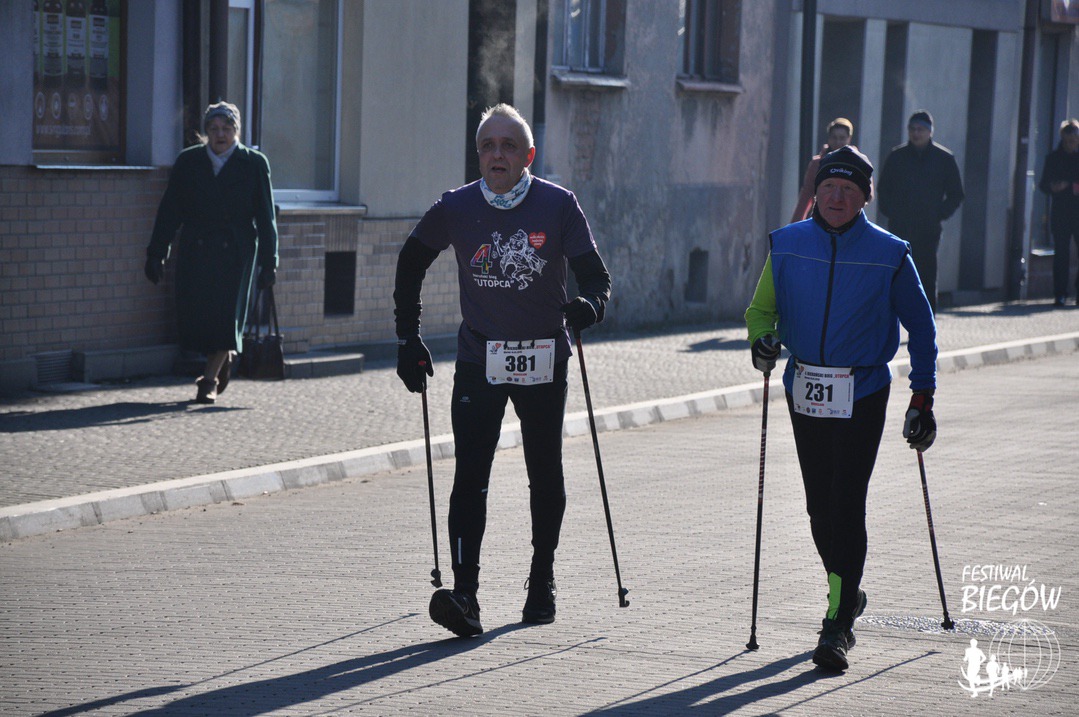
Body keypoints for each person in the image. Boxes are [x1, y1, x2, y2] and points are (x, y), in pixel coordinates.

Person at [393, 103, 612, 638]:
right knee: (470, 475)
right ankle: (465, 594)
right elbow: (410, 262)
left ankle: (542, 577)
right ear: (478, 155)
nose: (497, 155)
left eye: (509, 146)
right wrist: (408, 337)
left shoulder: (558, 204)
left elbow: (596, 278)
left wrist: (590, 306)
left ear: (528, 155)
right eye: (488, 146)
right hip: (479, 357)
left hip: (543, 357)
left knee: (545, 471)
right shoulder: (456, 206)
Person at [744, 146, 938, 671]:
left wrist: (922, 397)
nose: (836, 197)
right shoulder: (787, 244)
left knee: (847, 503)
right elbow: (761, 311)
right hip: (805, 388)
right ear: (816, 191)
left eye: (848, 189)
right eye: (828, 186)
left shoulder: (890, 253)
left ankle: (836, 623)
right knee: (819, 509)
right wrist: (762, 341)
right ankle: (848, 590)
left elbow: (922, 328)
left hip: (864, 391)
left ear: (864, 197)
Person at [144, 101, 278, 403]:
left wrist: (270, 263)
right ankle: (223, 356)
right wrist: (156, 252)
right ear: (205, 132)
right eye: (214, 129)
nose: (220, 135)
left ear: (237, 131)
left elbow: (266, 217)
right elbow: (170, 209)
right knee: (199, 317)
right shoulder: (189, 161)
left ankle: (208, 381)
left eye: (227, 128)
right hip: (197, 249)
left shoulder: (254, 163)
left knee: (225, 316)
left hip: (236, 252)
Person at [877, 110, 965, 313]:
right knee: (896, 274)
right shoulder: (897, 156)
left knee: (926, 276)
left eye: (921, 129)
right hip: (900, 227)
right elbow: (883, 189)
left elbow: (956, 193)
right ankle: (893, 318)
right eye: (912, 129)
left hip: (928, 229)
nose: (916, 133)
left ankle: (927, 320)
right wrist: (892, 212)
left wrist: (939, 214)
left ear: (930, 132)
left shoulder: (943, 158)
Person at [789, 117, 866, 223]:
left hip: (849, 221)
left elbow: (867, 194)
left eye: (842, 138)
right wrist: (795, 224)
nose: (838, 142)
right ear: (829, 139)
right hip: (822, 220)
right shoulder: (817, 164)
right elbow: (806, 195)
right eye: (834, 137)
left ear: (849, 139)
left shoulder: (858, 163)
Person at [1037, 119, 1079, 306]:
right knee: (1061, 254)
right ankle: (1060, 293)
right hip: (1061, 213)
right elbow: (1043, 184)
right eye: (1068, 140)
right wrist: (1053, 187)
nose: (1071, 144)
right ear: (1063, 138)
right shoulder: (1053, 158)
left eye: (1074, 140)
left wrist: (1071, 186)